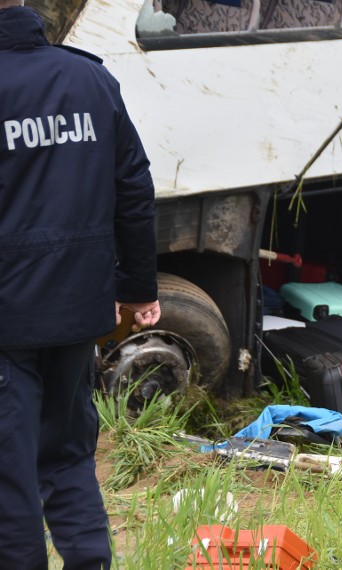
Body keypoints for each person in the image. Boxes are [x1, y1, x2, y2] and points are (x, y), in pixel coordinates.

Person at [0, 2, 160, 568]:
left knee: (7, 476)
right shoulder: (90, 77)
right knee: (68, 456)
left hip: (8, 323)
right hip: (76, 311)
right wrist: (140, 287)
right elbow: (135, 192)